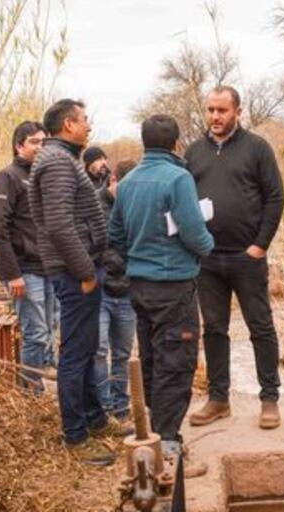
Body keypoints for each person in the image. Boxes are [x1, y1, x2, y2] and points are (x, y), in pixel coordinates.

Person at [108, 114, 214, 474]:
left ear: (144, 141)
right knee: (176, 363)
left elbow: (116, 236)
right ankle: (168, 450)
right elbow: (195, 234)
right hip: (174, 287)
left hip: (140, 288)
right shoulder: (178, 177)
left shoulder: (129, 180)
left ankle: (154, 434)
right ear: (175, 143)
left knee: (152, 359)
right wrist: (207, 242)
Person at [29, 99, 129, 467]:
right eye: (85, 120)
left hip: (80, 269)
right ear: (68, 125)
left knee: (86, 349)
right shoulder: (56, 163)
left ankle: (96, 418)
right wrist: (86, 271)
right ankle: (76, 434)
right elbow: (58, 224)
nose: (89, 125)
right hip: (75, 274)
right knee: (74, 354)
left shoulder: (61, 158)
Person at [185, 85, 284, 430]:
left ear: (238, 112)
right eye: (210, 110)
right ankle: (218, 399)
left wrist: (260, 245)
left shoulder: (257, 148)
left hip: (247, 256)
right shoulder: (194, 152)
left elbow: (275, 198)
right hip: (207, 259)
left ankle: (269, 398)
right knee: (214, 329)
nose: (215, 117)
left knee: (260, 326)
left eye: (222, 111)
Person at [0, 121, 56, 394]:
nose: (41, 147)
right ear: (19, 145)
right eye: (35, 142)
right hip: (24, 270)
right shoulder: (7, 178)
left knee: (48, 331)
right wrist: (11, 274)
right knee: (35, 333)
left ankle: (37, 383)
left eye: (44, 142)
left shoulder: (42, 176)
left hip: (47, 267)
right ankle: (31, 393)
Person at [94, 158, 139, 420]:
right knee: (99, 350)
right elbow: (99, 247)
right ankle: (103, 406)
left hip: (127, 292)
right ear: (113, 180)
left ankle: (121, 407)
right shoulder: (94, 204)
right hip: (101, 289)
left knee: (122, 353)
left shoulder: (136, 205)